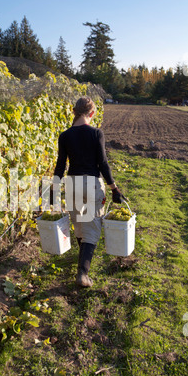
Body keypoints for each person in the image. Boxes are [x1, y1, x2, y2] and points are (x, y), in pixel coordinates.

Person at [52, 96, 126, 287]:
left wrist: (53, 188)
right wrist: (114, 189)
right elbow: (103, 163)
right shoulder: (96, 133)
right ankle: (83, 274)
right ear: (91, 113)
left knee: (79, 225)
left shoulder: (65, 135)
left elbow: (60, 166)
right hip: (92, 183)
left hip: (72, 183)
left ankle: (81, 260)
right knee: (92, 229)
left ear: (74, 112)